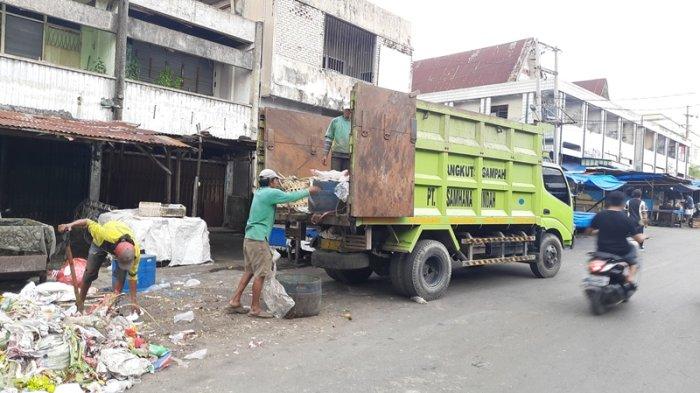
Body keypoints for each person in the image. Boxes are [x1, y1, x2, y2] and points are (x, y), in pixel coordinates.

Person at [227, 169, 319, 318]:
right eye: (276, 180)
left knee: (249, 271)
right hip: (258, 240)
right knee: (261, 274)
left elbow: (280, 200)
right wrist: (309, 190)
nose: (278, 182)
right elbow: (291, 196)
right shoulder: (270, 193)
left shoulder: (260, 192)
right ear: (271, 181)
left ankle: (235, 301)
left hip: (249, 238)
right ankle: (255, 308)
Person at [58, 219, 141, 312]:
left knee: (121, 276)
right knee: (89, 273)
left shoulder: (135, 252)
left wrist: (134, 301)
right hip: (100, 243)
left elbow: (133, 276)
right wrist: (70, 224)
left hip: (119, 242)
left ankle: (111, 308)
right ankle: (79, 304)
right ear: (115, 256)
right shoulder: (102, 234)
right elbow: (87, 222)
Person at [586, 191, 646, 283]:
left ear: (609, 202)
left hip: (601, 250)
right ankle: (630, 277)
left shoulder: (600, 215)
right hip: (620, 251)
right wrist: (644, 236)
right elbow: (638, 239)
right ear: (622, 203)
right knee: (633, 255)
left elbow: (588, 232)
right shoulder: (626, 219)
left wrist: (599, 230)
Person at [322, 106, 352, 171]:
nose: (348, 111)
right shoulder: (335, 121)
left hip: (349, 157)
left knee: (346, 179)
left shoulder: (354, 124)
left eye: (350, 110)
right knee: (335, 177)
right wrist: (325, 155)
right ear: (343, 109)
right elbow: (329, 139)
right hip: (336, 155)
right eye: (346, 109)